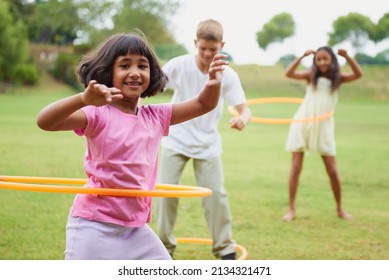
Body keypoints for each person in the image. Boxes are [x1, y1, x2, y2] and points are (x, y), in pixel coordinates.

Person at [36, 31, 228, 260]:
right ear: (109, 72)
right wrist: (82, 100)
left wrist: (214, 83)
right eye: (125, 65)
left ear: (152, 72)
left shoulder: (156, 116)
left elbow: (202, 103)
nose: (135, 73)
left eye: (142, 66)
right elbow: (45, 121)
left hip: (135, 227)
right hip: (94, 224)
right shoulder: (98, 115)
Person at [156, 19, 251, 260]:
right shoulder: (179, 65)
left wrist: (242, 119)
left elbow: (244, 108)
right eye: (203, 49)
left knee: (216, 196)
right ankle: (163, 249)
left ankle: (225, 249)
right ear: (195, 43)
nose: (208, 54)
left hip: (207, 142)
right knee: (166, 192)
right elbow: (153, 86)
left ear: (222, 46)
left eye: (213, 49)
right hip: (175, 137)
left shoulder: (228, 75)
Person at [282, 46, 362, 222]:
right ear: (315, 62)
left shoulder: (338, 78)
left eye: (326, 59)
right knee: (295, 167)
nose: (322, 62)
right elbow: (289, 74)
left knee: (332, 170)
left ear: (332, 60)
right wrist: (301, 56)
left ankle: (340, 209)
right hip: (303, 122)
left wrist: (348, 57)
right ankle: (291, 209)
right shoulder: (311, 76)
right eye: (319, 59)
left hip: (324, 126)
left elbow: (358, 74)